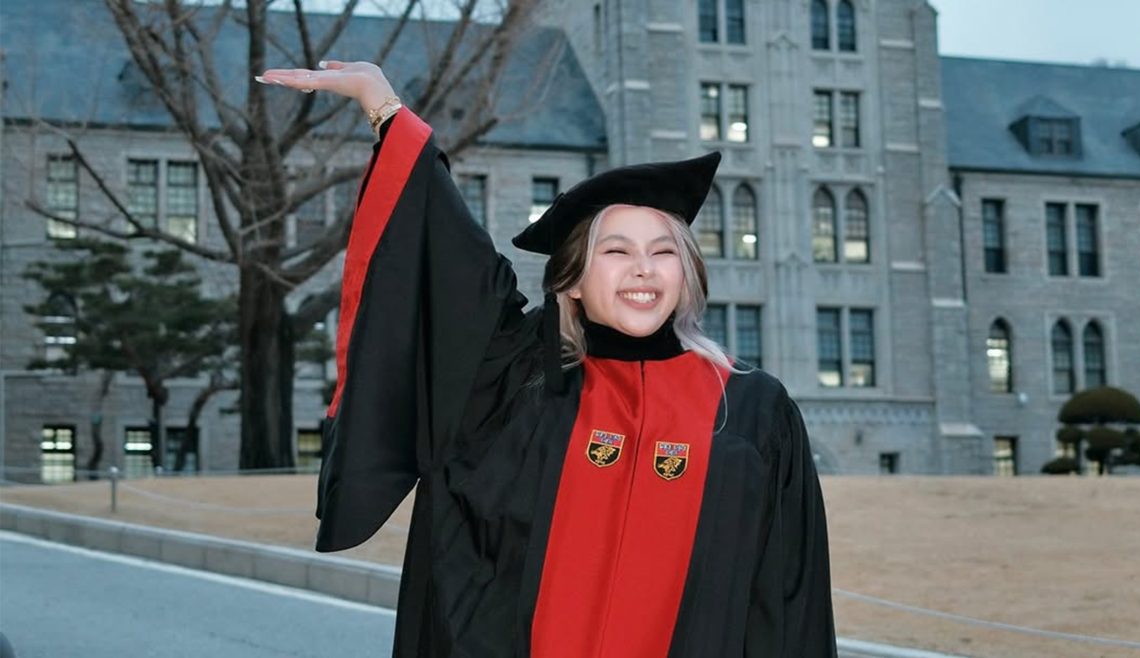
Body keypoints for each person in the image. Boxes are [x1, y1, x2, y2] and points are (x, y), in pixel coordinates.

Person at [257, 61, 837, 657]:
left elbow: (789, 598)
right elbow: (454, 264)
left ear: (686, 274)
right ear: (574, 281)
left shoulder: (749, 410)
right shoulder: (521, 382)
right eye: (616, 250)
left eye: (664, 252)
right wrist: (384, 108)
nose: (644, 268)